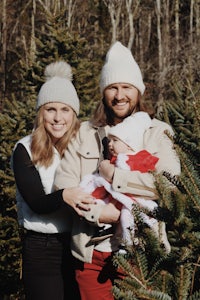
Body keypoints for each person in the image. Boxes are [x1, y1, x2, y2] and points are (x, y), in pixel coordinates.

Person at [54, 41, 181, 300]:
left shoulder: (158, 133)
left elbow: (171, 187)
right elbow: (64, 184)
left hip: (141, 254)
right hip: (90, 254)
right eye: (112, 87)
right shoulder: (84, 133)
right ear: (103, 92)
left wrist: (117, 178)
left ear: (138, 91)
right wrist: (101, 213)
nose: (119, 95)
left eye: (126, 88)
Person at [11, 61, 95, 300]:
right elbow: (37, 202)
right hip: (42, 250)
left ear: (74, 113)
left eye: (65, 110)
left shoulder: (85, 146)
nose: (58, 118)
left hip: (82, 243)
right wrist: (65, 195)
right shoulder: (25, 149)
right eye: (51, 109)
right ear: (41, 113)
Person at [79, 111, 171, 254]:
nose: (110, 144)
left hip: (135, 199)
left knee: (127, 216)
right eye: (110, 140)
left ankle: (127, 244)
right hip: (115, 198)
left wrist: (112, 174)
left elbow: (159, 181)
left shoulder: (134, 159)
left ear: (129, 144)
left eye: (115, 140)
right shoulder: (117, 158)